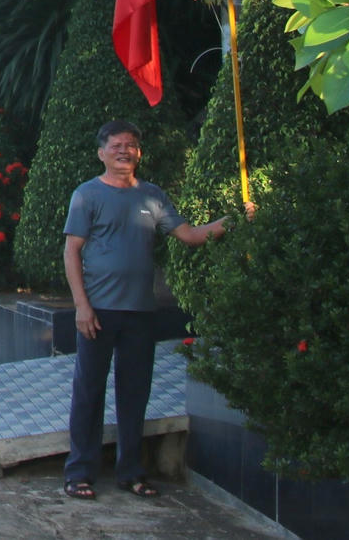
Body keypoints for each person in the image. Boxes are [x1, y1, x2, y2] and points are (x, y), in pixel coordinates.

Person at [61, 120, 253, 500]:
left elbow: (191, 236)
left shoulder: (152, 196)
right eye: (116, 145)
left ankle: (131, 472)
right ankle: (80, 472)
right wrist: (81, 307)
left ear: (139, 153)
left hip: (140, 313)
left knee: (134, 394)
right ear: (101, 153)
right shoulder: (87, 194)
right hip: (98, 310)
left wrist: (235, 220)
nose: (123, 151)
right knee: (89, 392)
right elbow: (71, 250)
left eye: (130, 145)